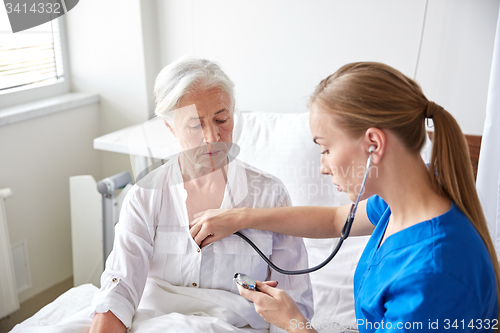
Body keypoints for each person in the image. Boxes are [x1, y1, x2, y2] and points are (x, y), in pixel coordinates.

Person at [189, 62, 500, 332]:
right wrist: (238, 218)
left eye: (325, 149)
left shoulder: (432, 275)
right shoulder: (412, 196)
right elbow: (336, 219)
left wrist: (294, 323)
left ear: (374, 144)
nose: (323, 167)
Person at [89, 57, 313, 333]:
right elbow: (119, 288)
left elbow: (294, 303)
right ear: (169, 126)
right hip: (156, 324)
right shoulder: (145, 197)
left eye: (222, 119)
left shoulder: (269, 194)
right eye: (196, 126)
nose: (213, 137)